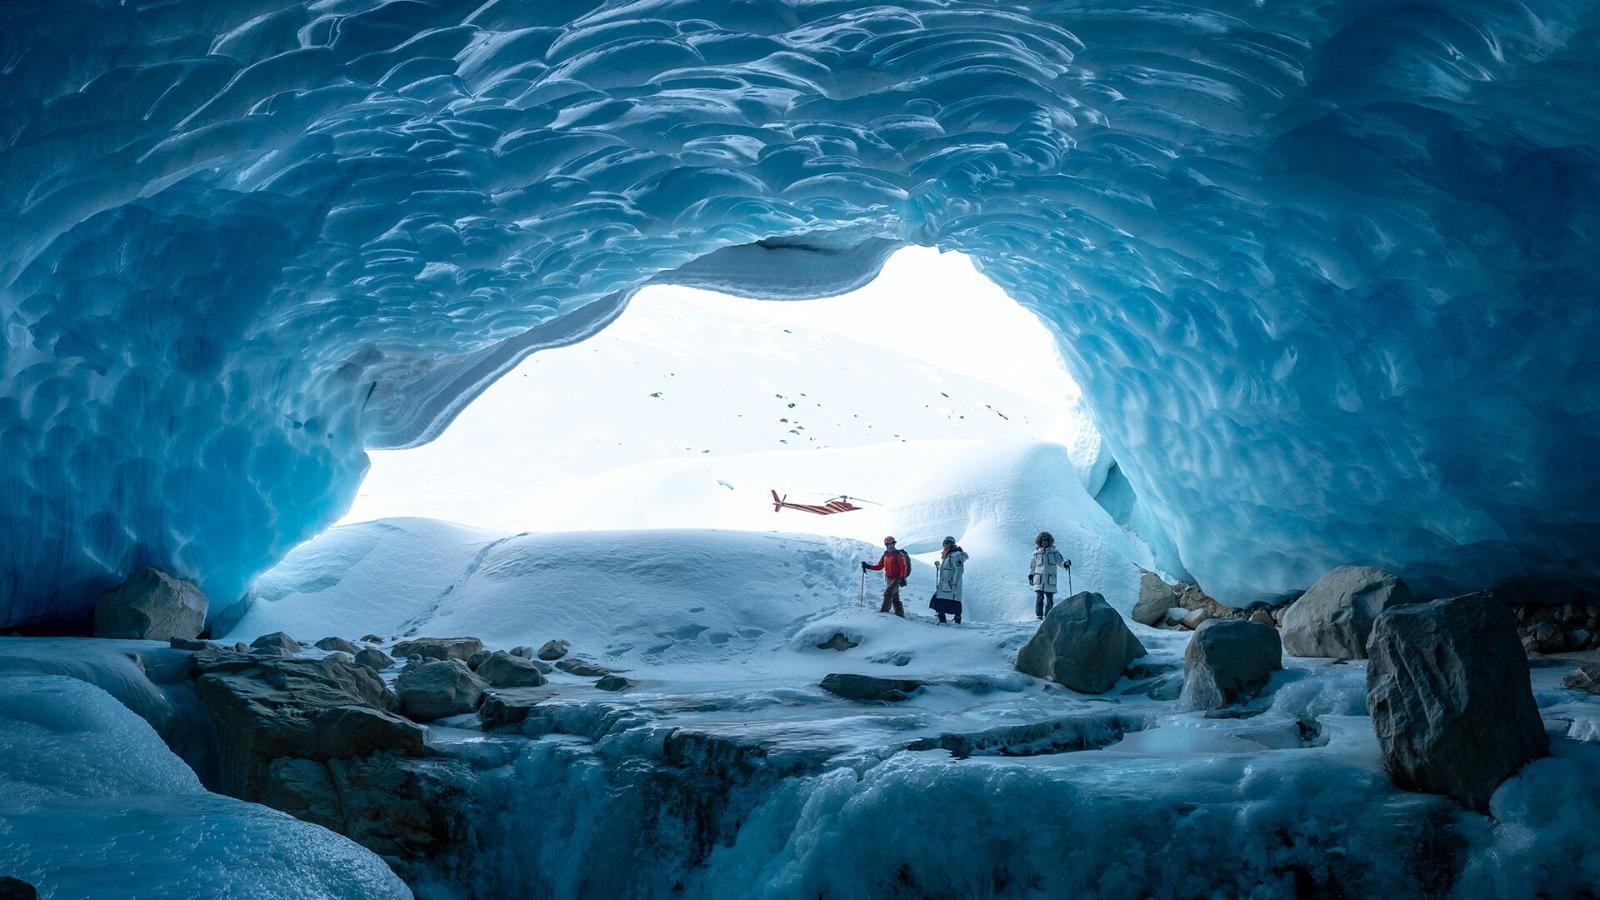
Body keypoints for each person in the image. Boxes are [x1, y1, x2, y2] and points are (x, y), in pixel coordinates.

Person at [862, 536, 910, 617]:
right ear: (886, 545)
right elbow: (879, 566)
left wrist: (902, 578)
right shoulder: (885, 556)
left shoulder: (898, 554)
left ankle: (884, 612)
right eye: (890, 544)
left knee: (888, 593)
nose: (892, 545)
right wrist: (868, 566)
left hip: (897, 578)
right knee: (895, 598)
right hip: (889, 579)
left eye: (893, 543)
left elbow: (903, 566)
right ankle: (900, 615)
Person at [1029, 531, 1070, 619]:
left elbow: (1060, 561)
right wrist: (1031, 576)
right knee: (1039, 597)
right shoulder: (1036, 553)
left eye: (1046, 541)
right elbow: (1033, 566)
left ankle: (1048, 615)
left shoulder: (1054, 552)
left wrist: (1065, 564)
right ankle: (1039, 615)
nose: (1044, 543)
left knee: (1049, 598)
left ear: (1049, 541)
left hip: (1049, 579)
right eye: (1043, 541)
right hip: (1039, 579)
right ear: (1040, 542)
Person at [929, 536, 968, 624]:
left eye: (948, 543)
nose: (945, 545)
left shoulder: (956, 555)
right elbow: (947, 569)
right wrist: (939, 566)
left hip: (951, 585)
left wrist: (955, 584)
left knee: (954, 603)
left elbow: (959, 570)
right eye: (944, 543)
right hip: (945, 585)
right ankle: (942, 620)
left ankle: (957, 621)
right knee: (940, 602)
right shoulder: (947, 555)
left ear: (952, 544)